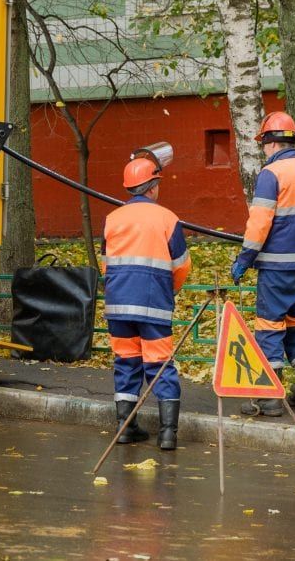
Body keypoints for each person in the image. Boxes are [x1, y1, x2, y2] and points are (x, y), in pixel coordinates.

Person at [231, 112, 295, 416]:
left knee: (269, 327)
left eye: (264, 145)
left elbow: (259, 222)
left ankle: (270, 399)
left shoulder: (271, 174)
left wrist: (244, 258)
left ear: (270, 143)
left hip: (275, 267)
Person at [101, 155, 190, 449]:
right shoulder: (167, 218)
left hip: (118, 305)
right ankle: (167, 433)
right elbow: (181, 265)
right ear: (152, 187)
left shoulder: (112, 219)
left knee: (126, 363)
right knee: (160, 365)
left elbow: (106, 264)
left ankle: (125, 427)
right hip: (153, 306)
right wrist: (170, 291)